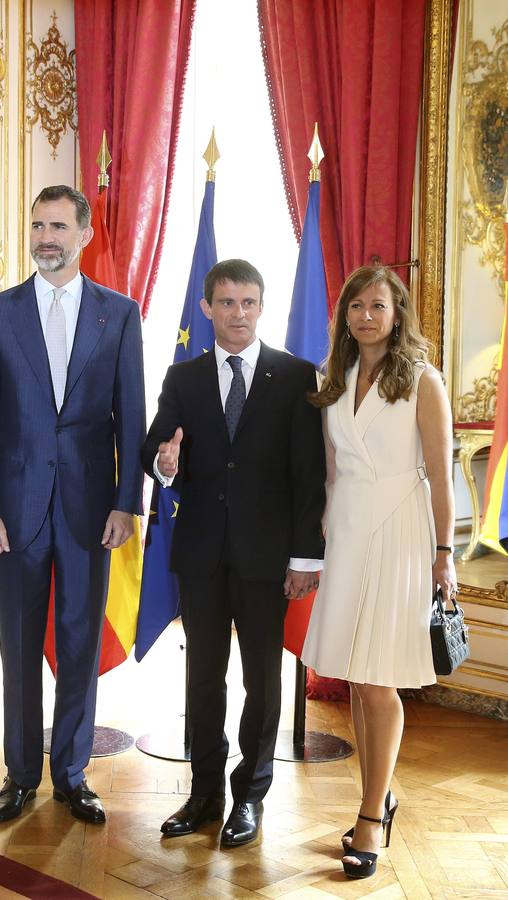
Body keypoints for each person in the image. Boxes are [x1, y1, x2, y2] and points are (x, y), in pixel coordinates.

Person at [0, 184, 145, 826]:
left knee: (78, 645)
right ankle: (19, 776)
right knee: (18, 647)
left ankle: (71, 775)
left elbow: (132, 415)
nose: (47, 237)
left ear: (85, 234)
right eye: (38, 224)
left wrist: (128, 504)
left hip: (89, 509)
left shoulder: (120, 313)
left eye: (59, 226)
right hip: (13, 513)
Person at [143, 259, 325, 847]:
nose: (237, 314)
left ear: (262, 306)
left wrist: (304, 559)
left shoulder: (295, 376)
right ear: (207, 309)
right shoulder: (183, 377)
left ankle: (250, 794)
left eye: (248, 303)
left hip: (268, 559)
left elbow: (308, 476)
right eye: (226, 303)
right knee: (203, 679)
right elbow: (156, 445)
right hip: (201, 555)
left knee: (262, 682)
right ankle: (203, 795)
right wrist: (162, 465)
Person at [301, 265, 457, 880]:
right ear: (344, 315)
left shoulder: (423, 380)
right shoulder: (333, 379)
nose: (366, 316)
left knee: (378, 680)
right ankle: (380, 792)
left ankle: (371, 816)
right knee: (356, 676)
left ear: (398, 314)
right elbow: (333, 468)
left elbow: (442, 478)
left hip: (402, 532)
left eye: (379, 306)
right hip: (346, 530)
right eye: (356, 306)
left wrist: (444, 553)